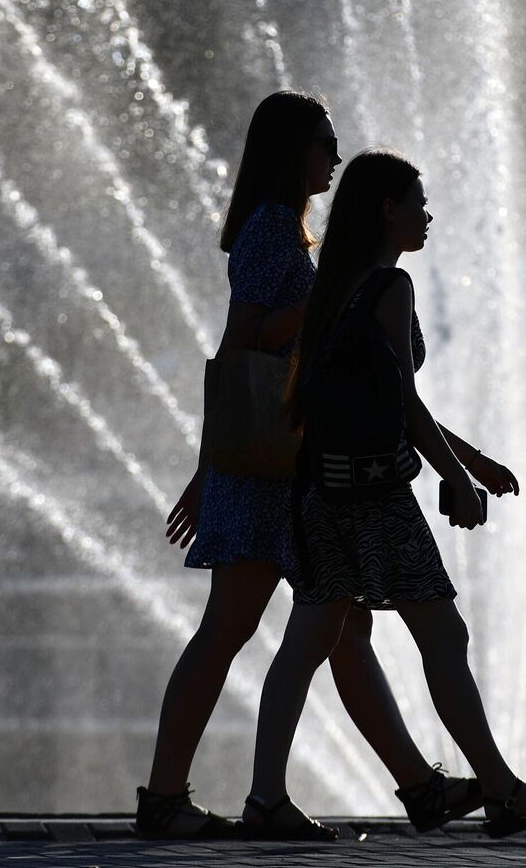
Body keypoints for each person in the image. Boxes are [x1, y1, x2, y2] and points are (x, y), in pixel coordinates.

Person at [136, 93, 477, 839]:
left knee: (344, 629)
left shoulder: (291, 236)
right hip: (263, 473)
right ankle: (166, 799)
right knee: (232, 628)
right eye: (325, 142)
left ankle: (419, 787)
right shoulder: (268, 233)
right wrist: (212, 467)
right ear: (293, 150)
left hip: (279, 465)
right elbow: (245, 342)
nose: (334, 153)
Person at [240, 149, 526, 840]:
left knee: (306, 643)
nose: (428, 215)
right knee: (442, 634)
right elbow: (406, 405)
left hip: (322, 494)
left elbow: (380, 396)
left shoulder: (335, 285)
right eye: (417, 202)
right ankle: (504, 792)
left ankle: (266, 799)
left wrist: (470, 461)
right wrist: (457, 476)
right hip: (376, 500)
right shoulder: (389, 289)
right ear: (387, 209)